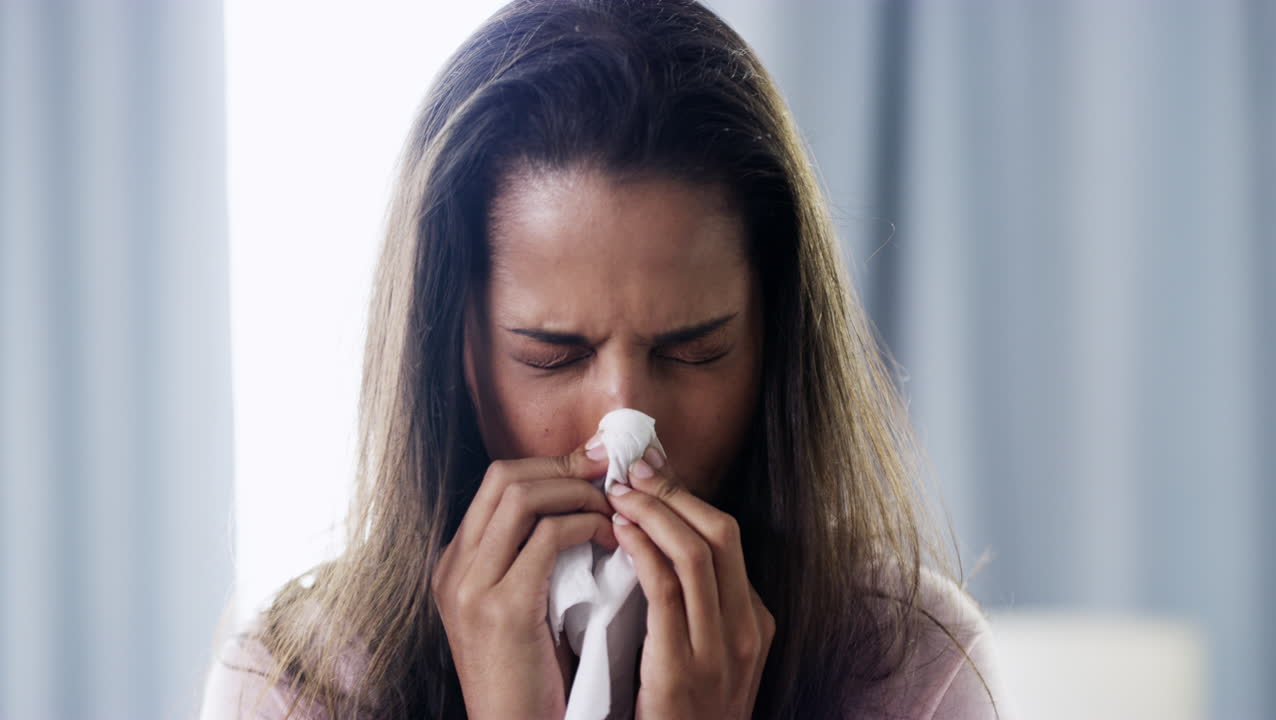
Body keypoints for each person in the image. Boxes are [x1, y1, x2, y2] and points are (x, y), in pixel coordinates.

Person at [199, 0, 1014, 718]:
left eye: (695, 350)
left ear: (773, 345)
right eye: (552, 356)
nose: (626, 426)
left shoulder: (909, 671)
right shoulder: (300, 685)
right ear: (458, 355)